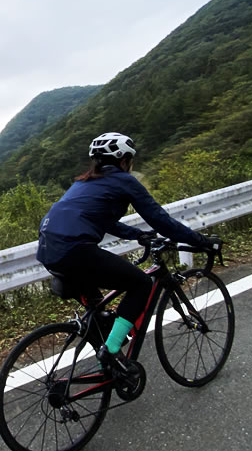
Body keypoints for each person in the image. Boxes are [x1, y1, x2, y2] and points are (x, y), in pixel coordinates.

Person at [36, 132, 219, 373]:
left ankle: (110, 366)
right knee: (141, 284)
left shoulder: (83, 183)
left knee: (97, 309)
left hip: (49, 250)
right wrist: (202, 241)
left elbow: (103, 221)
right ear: (124, 160)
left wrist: (137, 235)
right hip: (75, 251)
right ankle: (110, 352)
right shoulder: (124, 180)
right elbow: (160, 221)